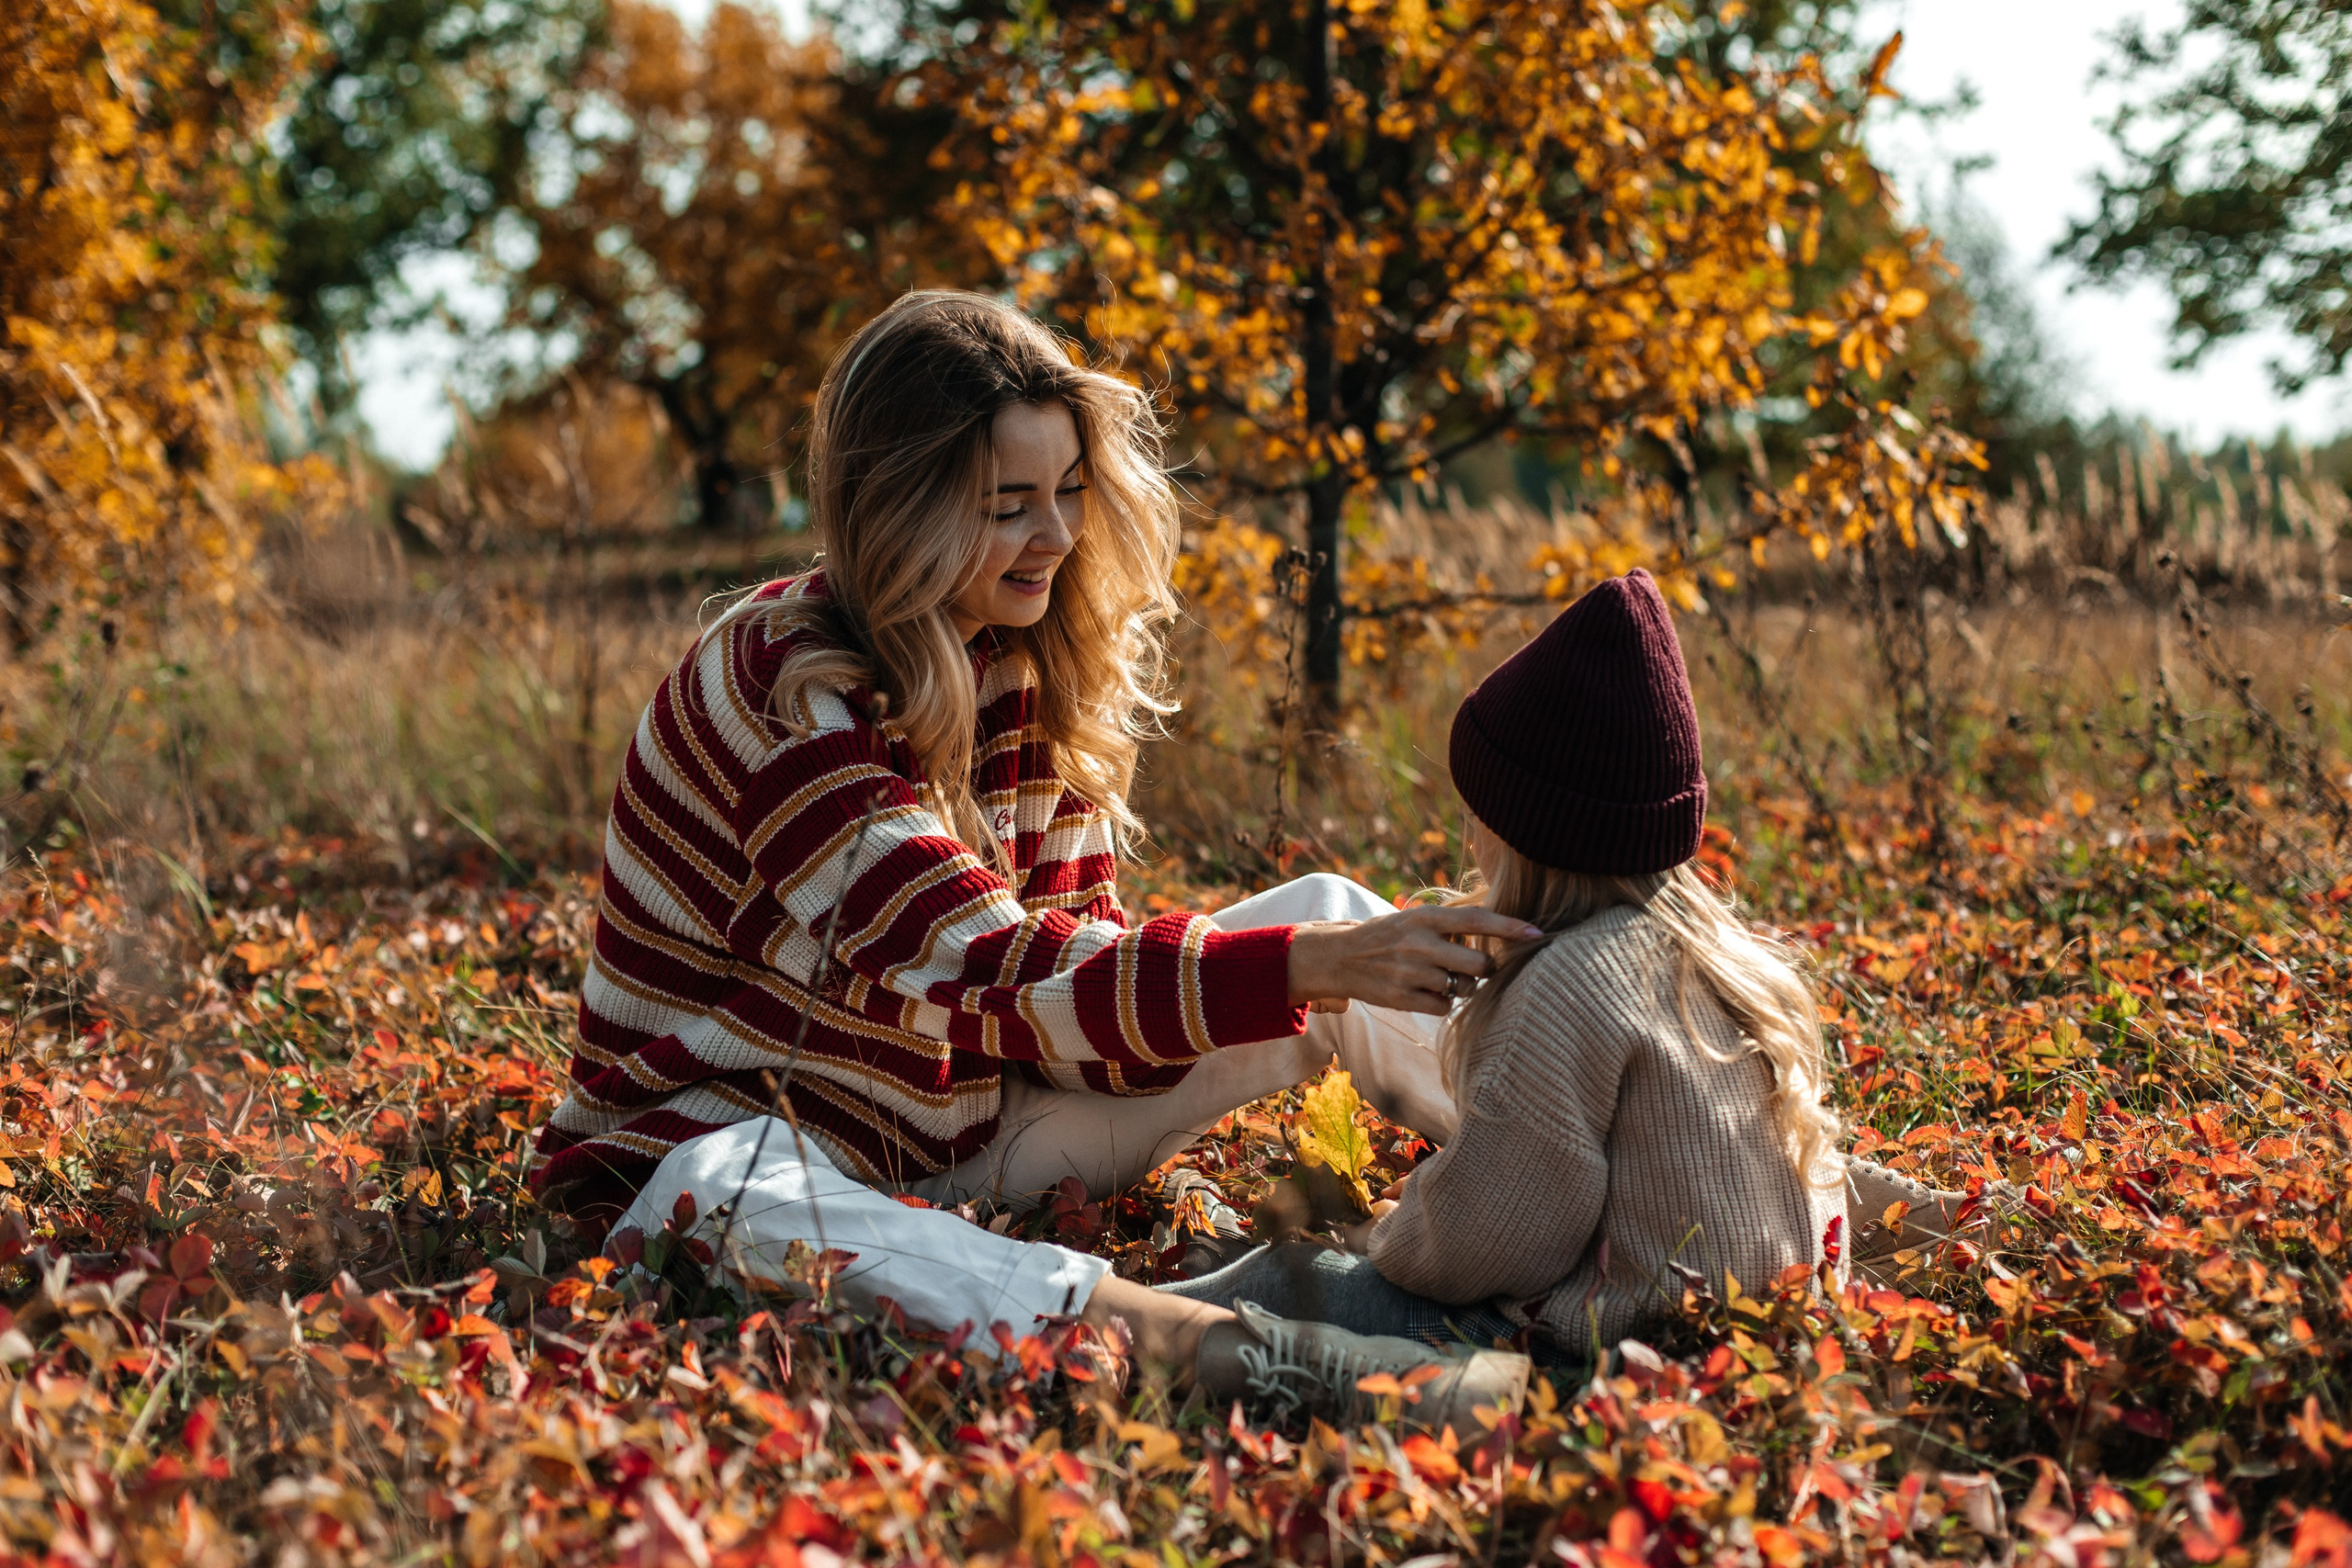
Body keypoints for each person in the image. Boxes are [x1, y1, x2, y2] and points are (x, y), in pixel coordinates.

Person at [529, 289, 1532, 1429]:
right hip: (731, 1155)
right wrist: (1297, 966)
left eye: (1066, 493)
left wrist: (1301, 969)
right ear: (899, 508)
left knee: (1328, 907)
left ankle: (1578, 1221)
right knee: (718, 1193)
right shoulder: (784, 691)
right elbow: (993, 968)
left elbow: (1075, 1028)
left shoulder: (1016, 668)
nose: (1055, 536)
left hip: (961, 1133)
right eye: (1009, 505)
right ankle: (1215, 1348)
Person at [1163, 571, 1986, 1369]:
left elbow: (1487, 1240)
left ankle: (1116, 1326)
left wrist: (1391, 1232)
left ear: (1524, 831)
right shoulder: (1718, 958)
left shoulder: (1569, 988)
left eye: (1477, 813)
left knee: (1287, 1281)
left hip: (1622, 1359)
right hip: (1760, 1340)